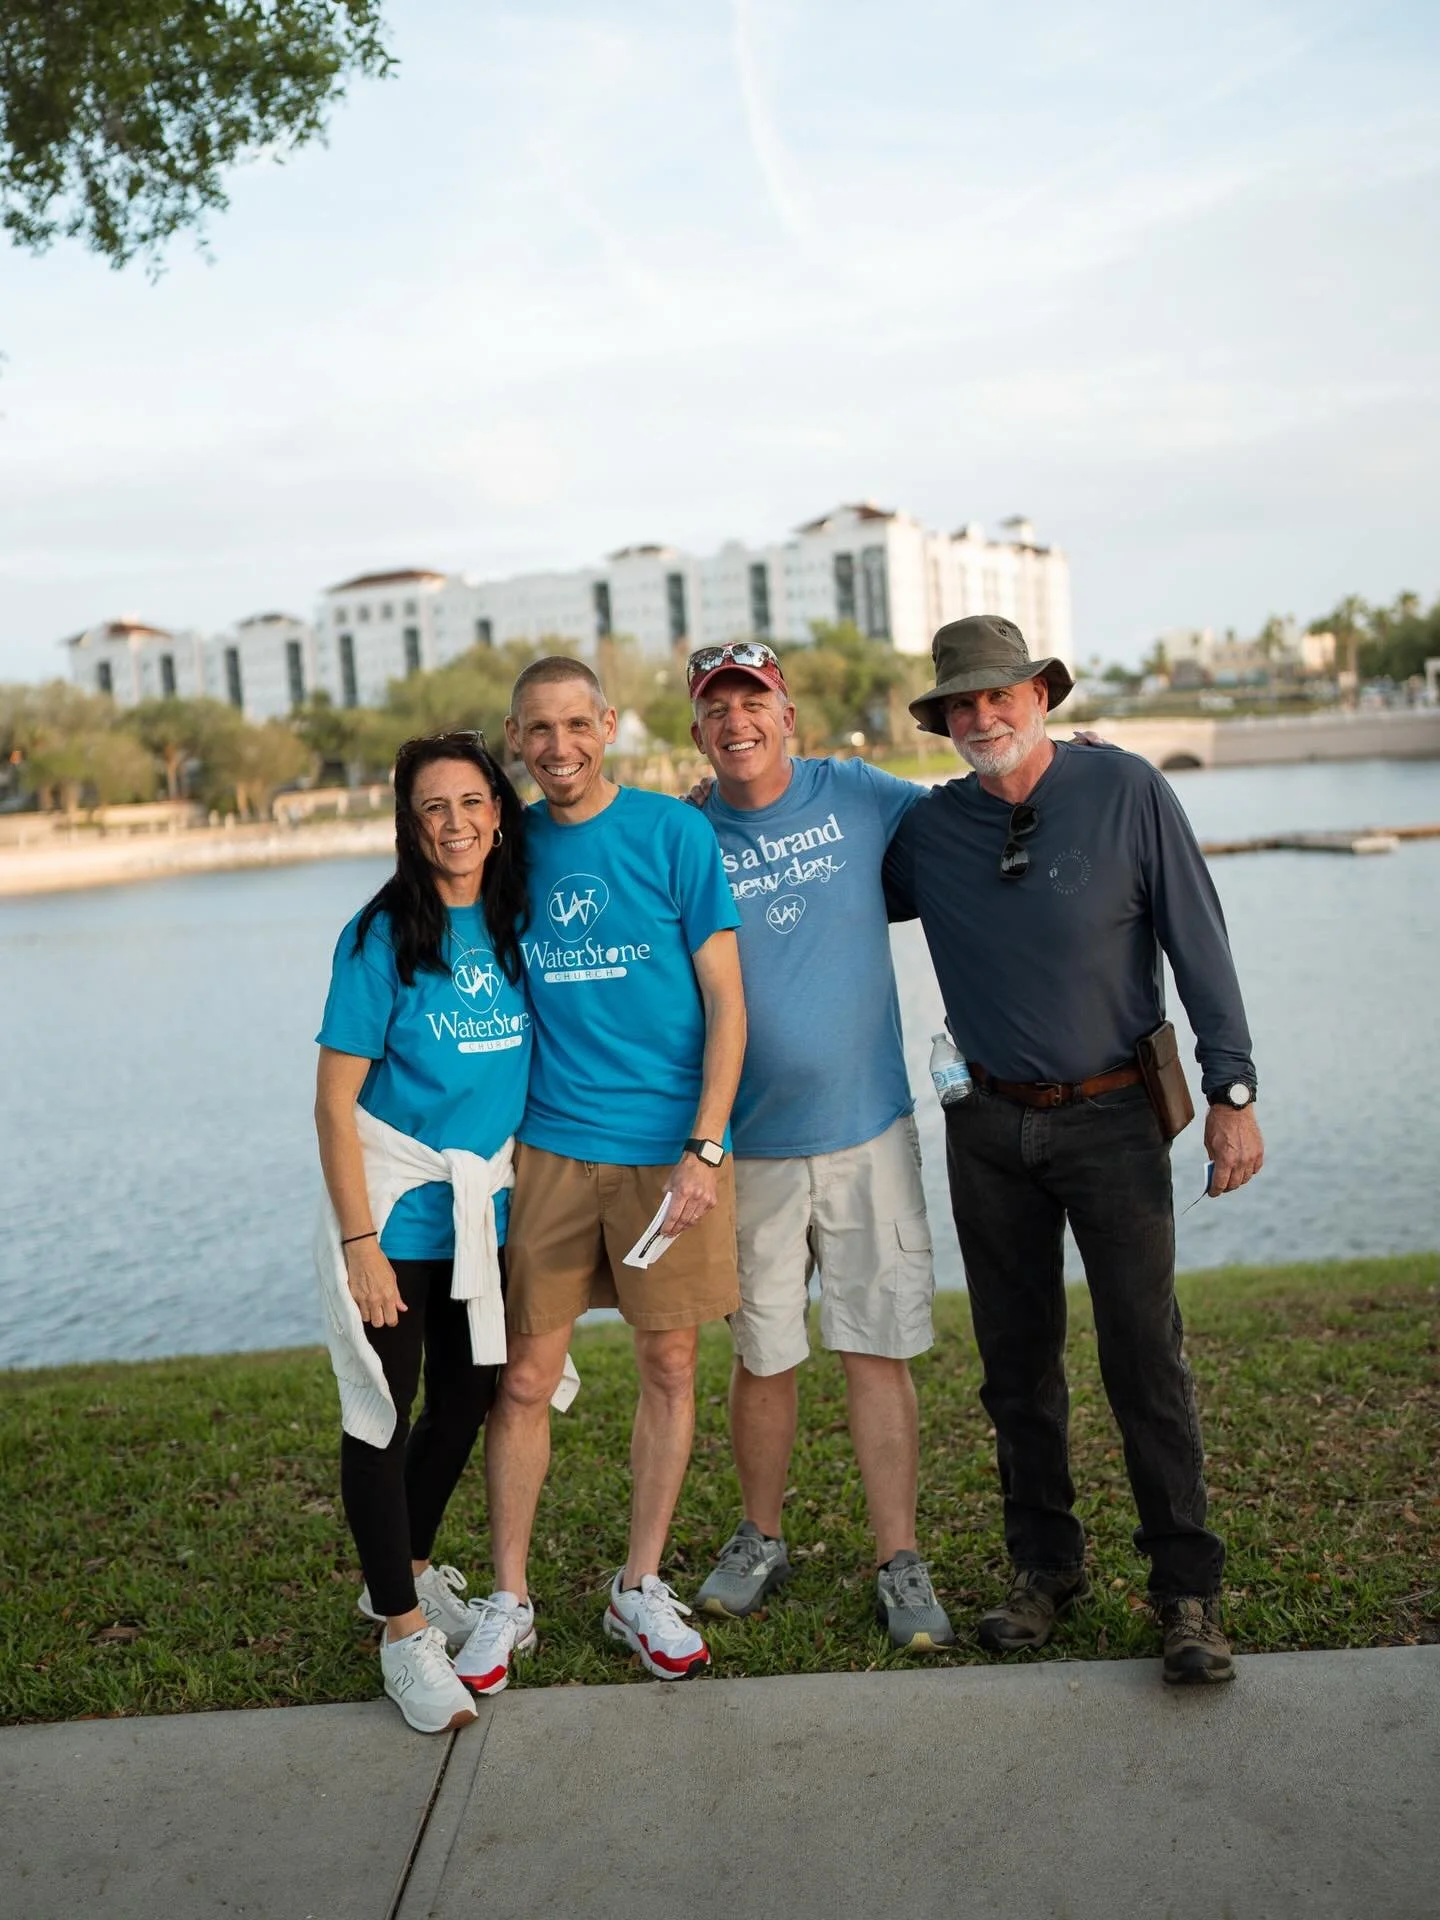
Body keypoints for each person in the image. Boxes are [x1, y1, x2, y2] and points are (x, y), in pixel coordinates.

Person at [882, 615, 1265, 1685]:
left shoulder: (1129, 790)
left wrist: (1232, 1090)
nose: (982, 716)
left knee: (1144, 1356)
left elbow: (1201, 940)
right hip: (988, 1125)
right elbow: (813, 895)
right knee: (1015, 1367)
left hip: (1112, 1118)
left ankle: (1187, 1591)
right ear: (945, 721)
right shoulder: (929, 832)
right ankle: (1045, 1571)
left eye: (1000, 694)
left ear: (1041, 695)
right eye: (961, 703)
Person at [452, 657, 746, 1694]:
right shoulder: (509, 849)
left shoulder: (674, 834)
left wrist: (706, 1146)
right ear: (515, 736)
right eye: (538, 729)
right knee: (525, 1377)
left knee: (669, 1366)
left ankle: (640, 1584)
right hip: (550, 1152)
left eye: (578, 723)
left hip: (670, 1158)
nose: (559, 746)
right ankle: (509, 1598)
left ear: (610, 725)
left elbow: (726, 1001)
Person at [683, 641, 955, 1652]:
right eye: (717, 709)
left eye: (754, 703)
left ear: (786, 713)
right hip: (745, 1146)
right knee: (765, 1352)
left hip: (867, 1131)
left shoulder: (859, 794)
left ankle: (898, 1558)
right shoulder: (683, 833)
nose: (738, 722)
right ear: (699, 730)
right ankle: (761, 1537)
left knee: (876, 1348)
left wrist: (1086, 761)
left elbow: (974, 815)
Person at [313, 729, 537, 1734]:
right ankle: (404, 1635)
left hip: (480, 1214)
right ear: (410, 825)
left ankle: (397, 1571)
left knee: (469, 1398)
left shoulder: (512, 917)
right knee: (382, 1413)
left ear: (499, 811)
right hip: (398, 1213)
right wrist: (360, 1245)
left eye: (470, 803)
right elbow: (332, 1104)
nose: (454, 824)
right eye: (432, 809)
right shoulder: (379, 936)